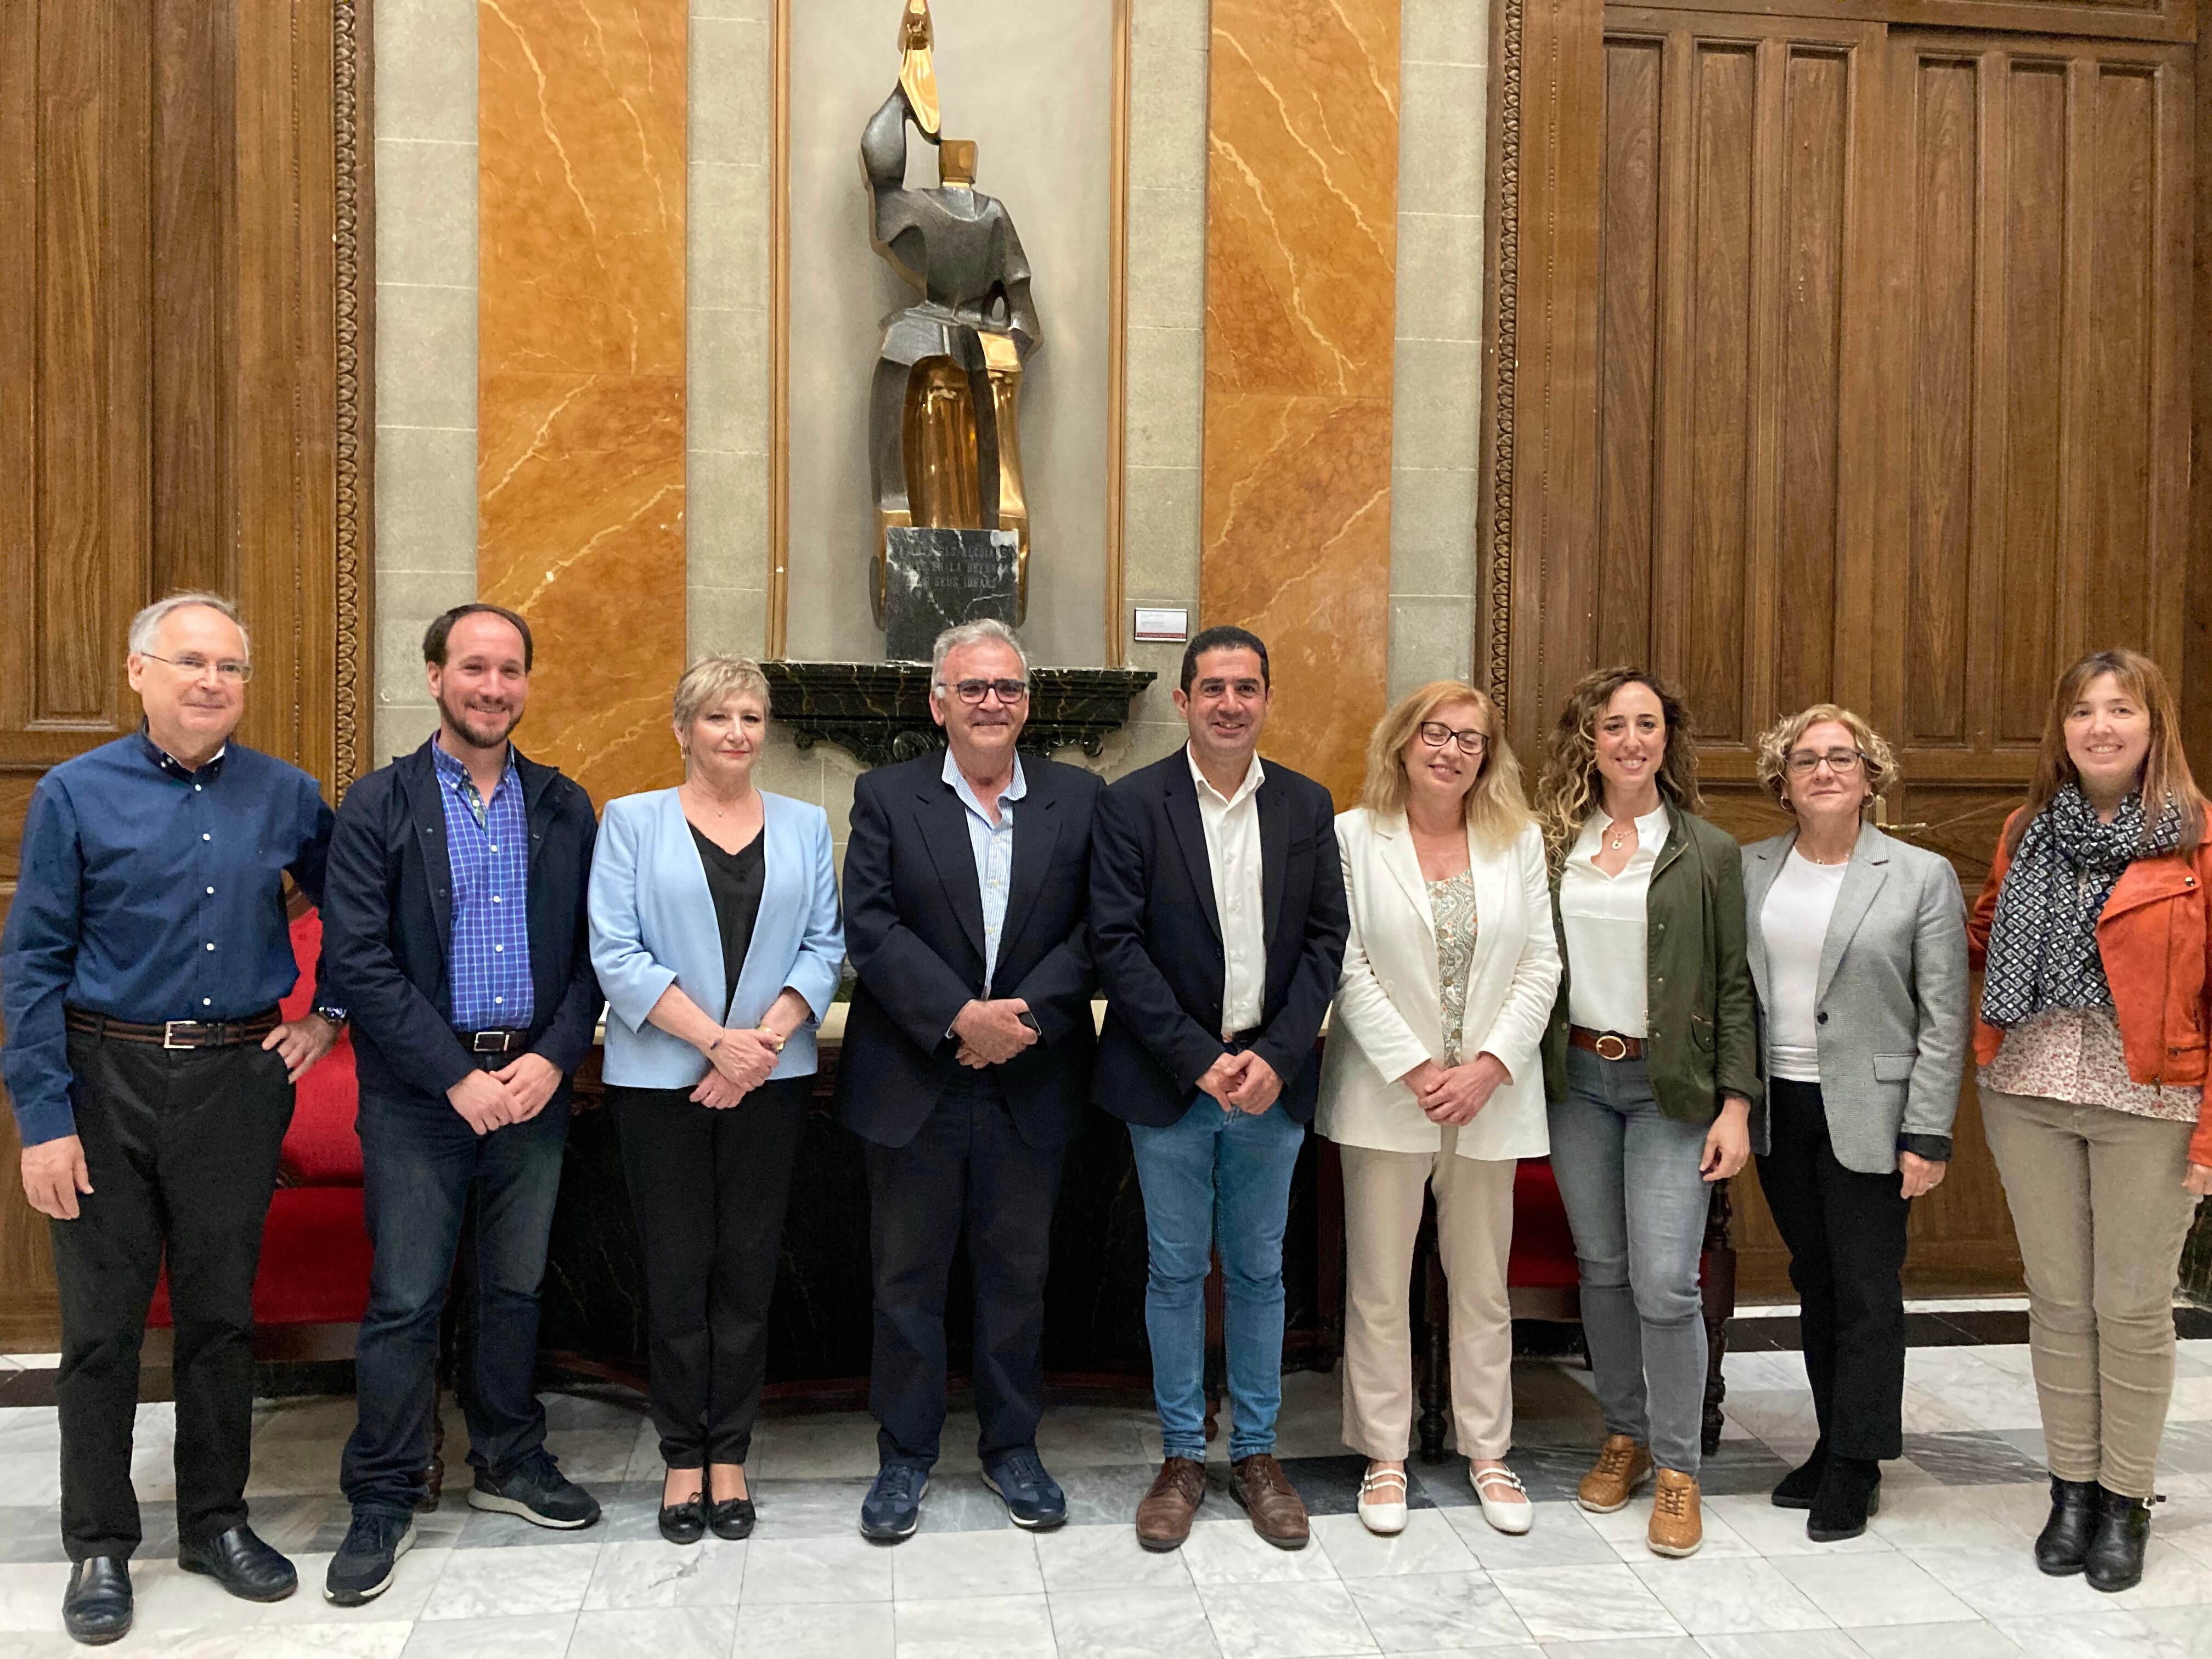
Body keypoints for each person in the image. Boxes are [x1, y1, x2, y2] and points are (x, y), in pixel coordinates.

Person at [1, 592, 341, 1644]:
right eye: (190, 662)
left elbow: (361, 918)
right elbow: (32, 966)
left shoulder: (286, 794)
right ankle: (100, 1546)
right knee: (102, 1334)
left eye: (231, 668)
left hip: (237, 1085)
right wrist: (42, 1118)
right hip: (103, 1084)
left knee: (220, 1318)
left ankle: (215, 1523)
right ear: (138, 672)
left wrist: (327, 1017)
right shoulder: (75, 793)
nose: (212, 683)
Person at [319, 603, 603, 1606]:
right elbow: (356, 958)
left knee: (515, 1290)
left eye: (511, 670)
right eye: (475, 668)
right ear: (435, 674)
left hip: (532, 1085)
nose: (494, 688)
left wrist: (553, 1060)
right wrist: (454, 1074)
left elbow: (591, 955)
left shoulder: (567, 806)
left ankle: (508, 1462)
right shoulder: (377, 805)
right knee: (405, 1300)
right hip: (418, 1095)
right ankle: (387, 1491)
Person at [837, 620, 1102, 1541]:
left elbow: (1100, 931)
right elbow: (868, 927)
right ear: (937, 701)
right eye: (973, 687)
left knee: (1017, 1278)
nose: (991, 703)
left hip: (1032, 1079)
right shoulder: (885, 796)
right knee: (905, 1279)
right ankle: (904, 1457)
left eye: (1007, 688)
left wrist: (1015, 1025)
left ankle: (1012, 1450)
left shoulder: (1079, 798)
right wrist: (962, 1018)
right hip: (917, 1080)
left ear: (1028, 703)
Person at [1091, 625, 1350, 1554]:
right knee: (1172, 1270)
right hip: (1174, 1083)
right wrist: (1200, 1059)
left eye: (1247, 688)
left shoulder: (1308, 806)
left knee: (1258, 1270)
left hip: (1270, 1083)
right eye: (1213, 688)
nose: (1231, 703)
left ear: (1267, 699)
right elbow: (1116, 946)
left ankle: (1256, 1453)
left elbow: (1327, 941)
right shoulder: (1131, 805)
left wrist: (1276, 1056)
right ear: (1184, 701)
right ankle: (1178, 1458)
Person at [1968, 648, 2212, 1593]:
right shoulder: (2027, 829)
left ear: (2155, 727)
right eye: (2082, 711)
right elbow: (1988, 935)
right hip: (2027, 1086)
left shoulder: (2195, 840)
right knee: (2060, 1302)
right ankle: (2070, 1488)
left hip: (2149, 1099)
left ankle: (2127, 1499)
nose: (2100, 727)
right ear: (2061, 730)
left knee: (2133, 1307)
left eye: (2121, 710)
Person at [588, 657, 843, 1545]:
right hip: (662, 1083)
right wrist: (714, 1043)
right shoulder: (630, 822)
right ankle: (681, 1456)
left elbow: (824, 945)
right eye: (717, 717)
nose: (736, 733)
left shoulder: (807, 825)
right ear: (682, 728)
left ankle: (729, 1450)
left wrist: (757, 1048)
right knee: (675, 1270)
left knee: (746, 1269)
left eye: (750, 717)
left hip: (769, 1082)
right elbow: (615, 954)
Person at [1317, 682, 1559, 1537]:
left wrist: (1488, 1067)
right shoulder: (1353, 835)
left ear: (1487, 759)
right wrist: (1420, 1069)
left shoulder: (1518, 840)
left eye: (1471, 739)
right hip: (1388, 1094)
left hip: (1490, 1100)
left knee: (1483, 1284)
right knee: (1379, 1285)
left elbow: (1541, 964)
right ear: (1403, 740)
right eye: (1436, 732)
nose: (1450, 751)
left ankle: (1488, 1451)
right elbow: (1344, 965)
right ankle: (1384, 1455)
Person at [1532, 667, 1758, 1559]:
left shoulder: (1707, 850)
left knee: (1666, 1282)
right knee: (1603, 1266)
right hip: (1579, 1081)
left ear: (1670, 739)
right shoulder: (1556, 846)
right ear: (1590, 739)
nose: (1631, 740)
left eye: (1648, 724)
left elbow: (1736, 988)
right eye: (1614, 725)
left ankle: (1676, 1469)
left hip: (1671, 1092)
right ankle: (1621, 1435)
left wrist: (1737, 1105)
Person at [1741, 704, 1968, 1542]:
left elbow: (1943, 1017)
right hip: (1782, 1105)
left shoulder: (1918, 875)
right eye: (1807, 760)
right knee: (1815, 1278)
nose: (1825, 771)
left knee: (1868, 1289)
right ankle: (1832, 1438)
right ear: (1783, 781)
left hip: (1875, 1110)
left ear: (1870, 776)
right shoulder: (1751, 868)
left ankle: (1857, 1463)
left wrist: (1929, 1133)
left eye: (1843, 758)